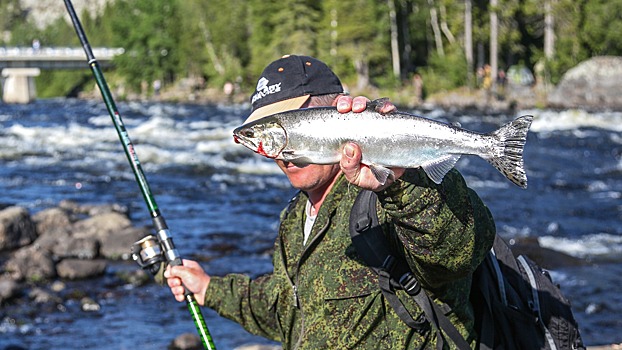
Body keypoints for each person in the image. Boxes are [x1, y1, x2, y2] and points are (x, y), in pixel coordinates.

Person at [165, 54, 496, 349]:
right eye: (268, 133)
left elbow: (455, 253)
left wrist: (402, 175)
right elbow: (288, 309)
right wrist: (208, 288)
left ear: (337, 110)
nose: (282, 150)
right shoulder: (296, 216)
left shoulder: (393, 195)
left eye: (292, 125)